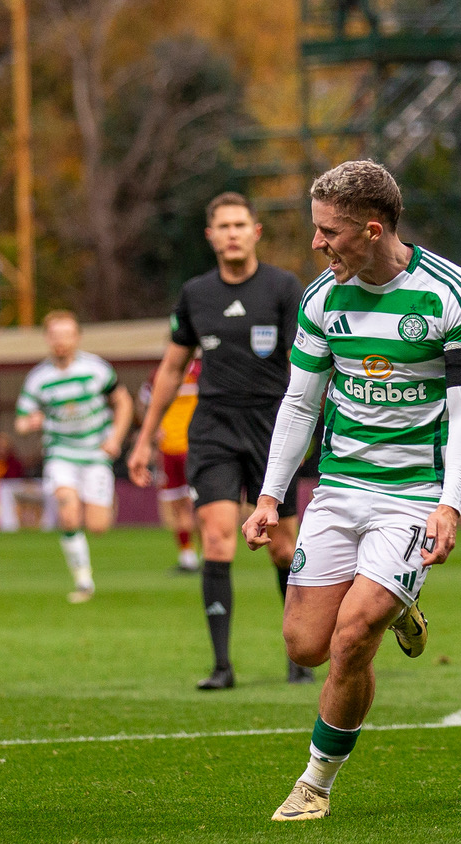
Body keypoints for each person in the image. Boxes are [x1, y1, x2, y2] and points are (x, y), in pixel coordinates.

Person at [242, 160, 461, 822]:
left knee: (353, 637)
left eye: (328, 232)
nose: (317, 244)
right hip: (340, 490)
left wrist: (449, 504)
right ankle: (396, 602)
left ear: (371, 229)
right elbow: (300, 404)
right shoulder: (323, 299)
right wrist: (270, 496)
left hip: (414, 496)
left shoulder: (453, 297)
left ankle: (315, 784)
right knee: (304, 645)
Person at [127, 192, 311, 689]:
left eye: (239, 224)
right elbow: (171, 368)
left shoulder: (283, 287)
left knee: (281, 545)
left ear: (255, 231)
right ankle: (222, 666)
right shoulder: (195, 294)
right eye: (222, 226)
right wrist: (144, 439)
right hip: (211, 428)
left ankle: (299, 651)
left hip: (273, 428)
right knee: (216, 536)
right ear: (210, 236)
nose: (231, 232)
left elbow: (305, 361)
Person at [15, 310, 134, 603]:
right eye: (55, 336)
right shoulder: (39, 378)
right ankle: (83, 581)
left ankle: (101, 503)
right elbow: (19, 421)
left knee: (98, 526)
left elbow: (123, 402)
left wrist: (116, 438)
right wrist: (31, 422)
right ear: (47, 339)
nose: (61, 342)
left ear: (77, 337)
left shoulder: (97, 369)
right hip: (61, 454)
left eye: (67, 335)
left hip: (95, 453)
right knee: (68, 514)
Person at [137, 357, 203, 572]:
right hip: (168, 450)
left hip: (196, 447)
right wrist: (153, 428)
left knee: (202, 506)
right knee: (177, 505)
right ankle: (188, 557)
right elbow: (144, 402)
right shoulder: (160, 373)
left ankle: (210, 555)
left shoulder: (203, 370)